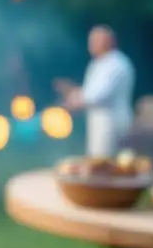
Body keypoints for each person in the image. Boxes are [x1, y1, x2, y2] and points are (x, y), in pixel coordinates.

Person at [55, 26, 135, 157]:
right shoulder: (99, 63)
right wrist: (73, 93)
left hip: (110, 122)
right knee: (96, 160)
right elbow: (90, 91)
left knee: (105, 162)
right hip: (98, 121)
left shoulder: (115, 64)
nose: (91, 45)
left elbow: (98, 95)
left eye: (95, 41)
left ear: (108, 41)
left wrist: (73, 100)